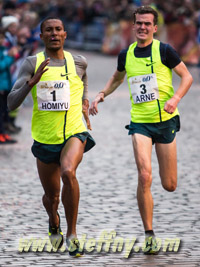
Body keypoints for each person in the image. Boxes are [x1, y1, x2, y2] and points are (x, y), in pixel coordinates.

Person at [89, 6, 193, 254]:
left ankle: (158, 200)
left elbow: (187, 77)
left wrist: (175, 99)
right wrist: (102, 93)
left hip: (165, 121)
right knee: (144, 175)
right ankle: (149, 234)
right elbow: (117, 78)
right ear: (133, 25)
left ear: (155, 28)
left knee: (169, 185)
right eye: (139, 23)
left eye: (148, 24)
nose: (143, 27)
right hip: (140, 123)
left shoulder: (164, 50)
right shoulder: (126, 55)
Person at [8, 17, 95, 257]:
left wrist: (85, 101)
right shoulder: (31, 63)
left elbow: (83, 80)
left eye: (58, 30)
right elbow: (10, 102)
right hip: (45, 137)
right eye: (49, 30)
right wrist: (31, 83)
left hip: (74, 132)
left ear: (65, 34)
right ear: (42, 36)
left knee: (69, 171)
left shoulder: (79, 62)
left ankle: (72, 234)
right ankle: (53, 219)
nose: (54, 33)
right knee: (52, 196)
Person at [0, 27, 18, 144]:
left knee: (4, 111)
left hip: (5, 85)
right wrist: (10, 57)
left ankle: (4, 133)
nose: (2, 40)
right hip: (1, 86)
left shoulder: (3, 49)